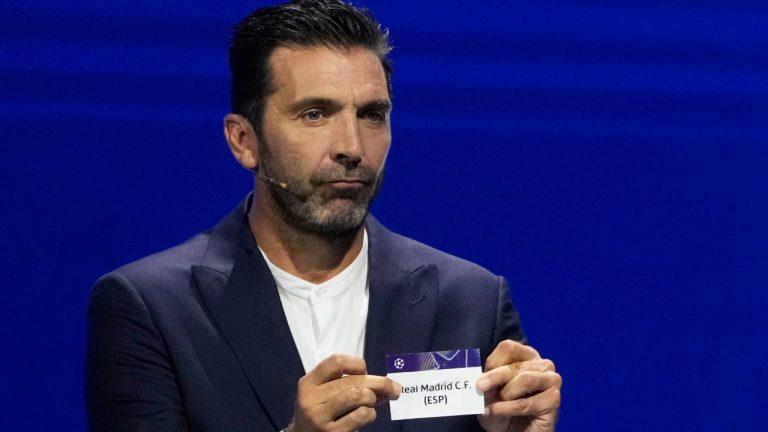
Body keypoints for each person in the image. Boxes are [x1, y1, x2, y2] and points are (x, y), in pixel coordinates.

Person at [85, 1, 562, 431]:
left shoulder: (471, 301)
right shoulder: (152, 308)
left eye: (372, 115)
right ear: (244, 141)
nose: (352, 148)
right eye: (315, 114)